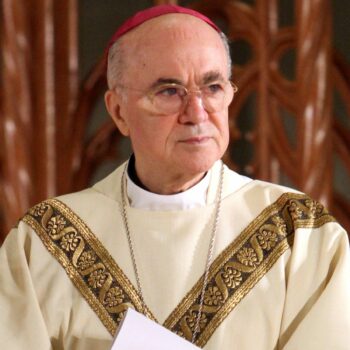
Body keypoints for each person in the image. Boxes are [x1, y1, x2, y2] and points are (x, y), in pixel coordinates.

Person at [0, 4, 349, 350]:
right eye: (169, 91)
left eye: (212, 87)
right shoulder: (44, 241)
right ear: (119, 111)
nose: (196, 112)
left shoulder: (299, 235)